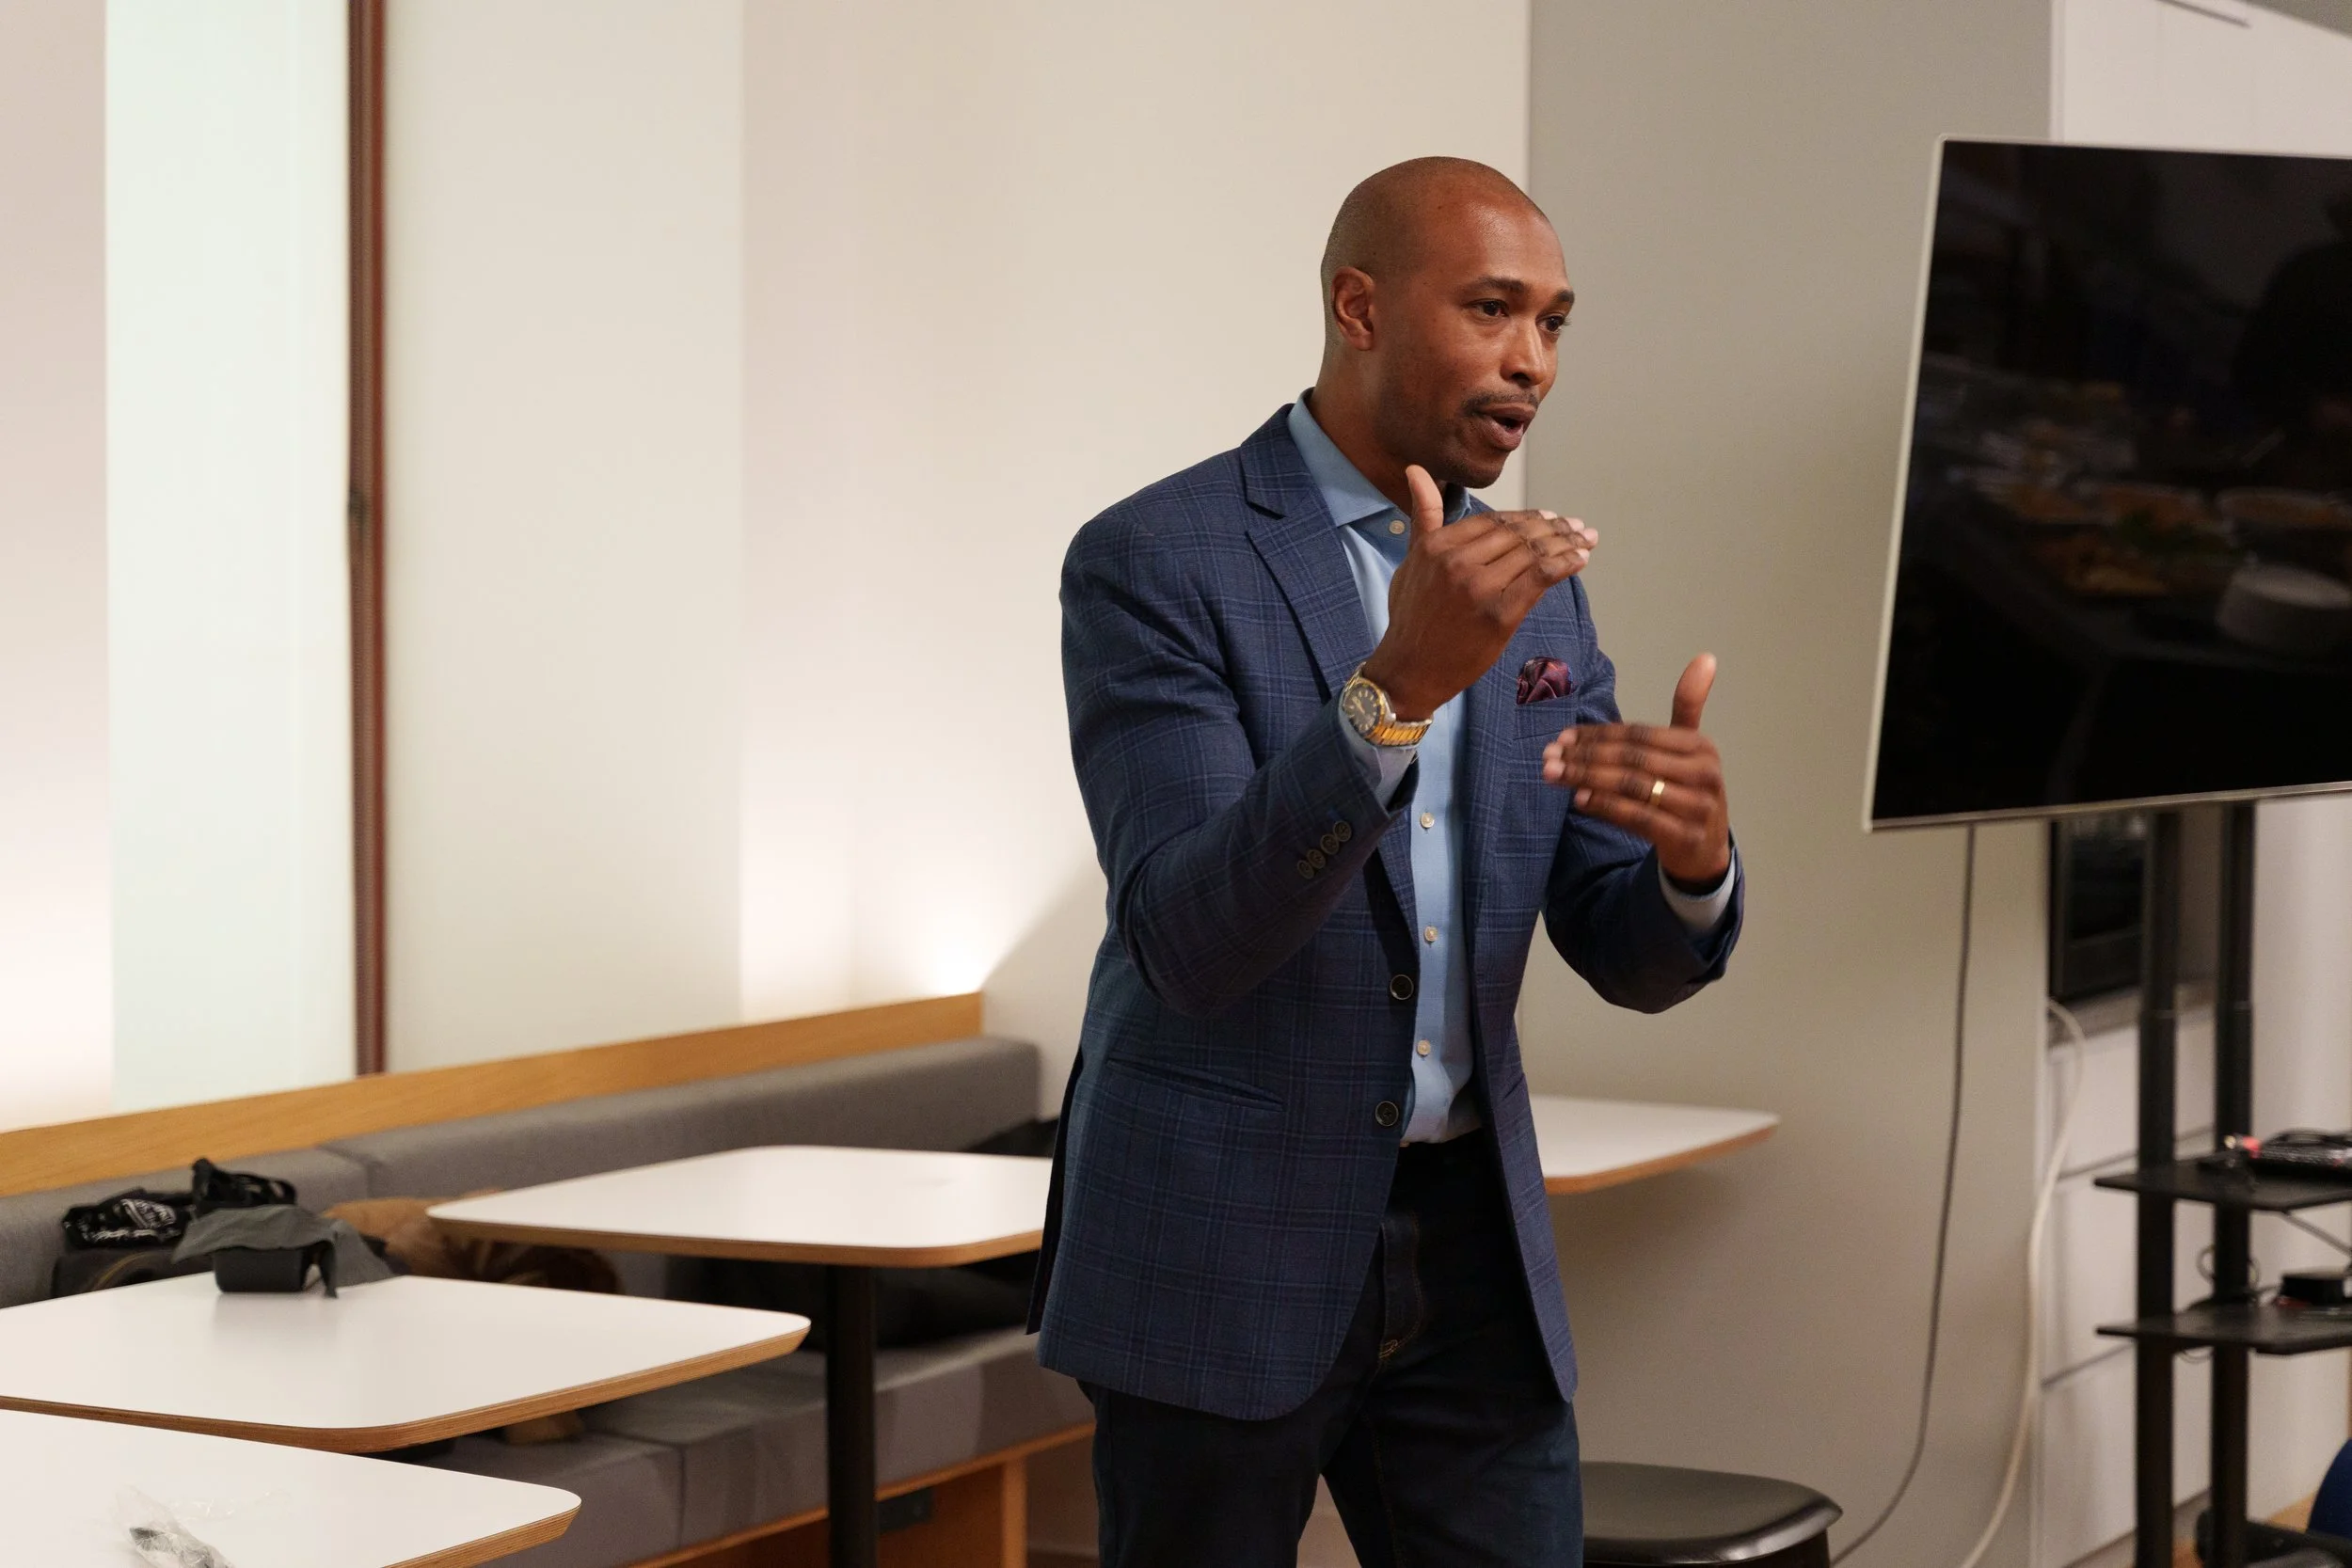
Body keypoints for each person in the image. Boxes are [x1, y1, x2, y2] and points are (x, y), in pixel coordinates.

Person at [1032, 156, 1743, 1566]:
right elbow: (1189, 938)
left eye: (1554, 323)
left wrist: (1690, 868)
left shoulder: (1539, 594)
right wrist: (1394, 690)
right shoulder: (1156, 559)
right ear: (1359, 308)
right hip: (1221, 1241)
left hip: (1471, 1250)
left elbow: (1621, 945)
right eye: (1492, 309)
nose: (1532, 361)